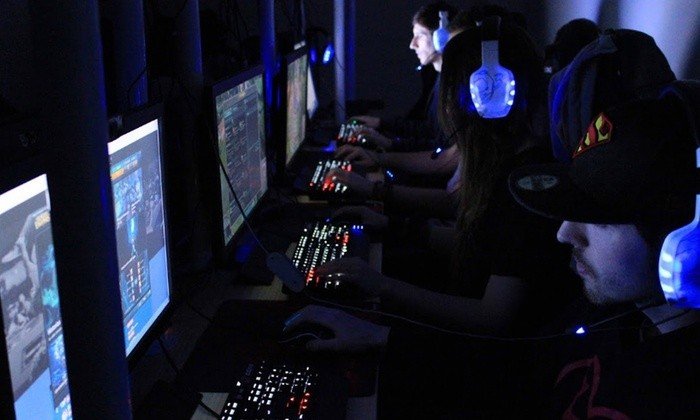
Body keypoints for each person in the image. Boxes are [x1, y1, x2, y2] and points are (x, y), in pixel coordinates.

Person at [287, 93, 700, 417]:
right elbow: (511, 368)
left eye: (601, 220)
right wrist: (382, 338)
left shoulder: (677, 393)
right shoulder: (617, 314)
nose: (564, 233)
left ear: (690, 240)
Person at [322, 20, 580, 333]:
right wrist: (395, 227)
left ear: (490, 95)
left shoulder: (524, 186)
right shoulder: (511, 164)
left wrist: (380, 288)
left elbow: (492, 317)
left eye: (451, 90)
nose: (447, 107)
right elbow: (482, 246)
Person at [350, 1, 457, 153]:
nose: (412, 45)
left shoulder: (454, 85)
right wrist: (381, 124)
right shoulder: (441, 78)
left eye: (420, 36)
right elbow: (431, 129)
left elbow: (441, 150)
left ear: (442, 38)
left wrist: (390, 145)